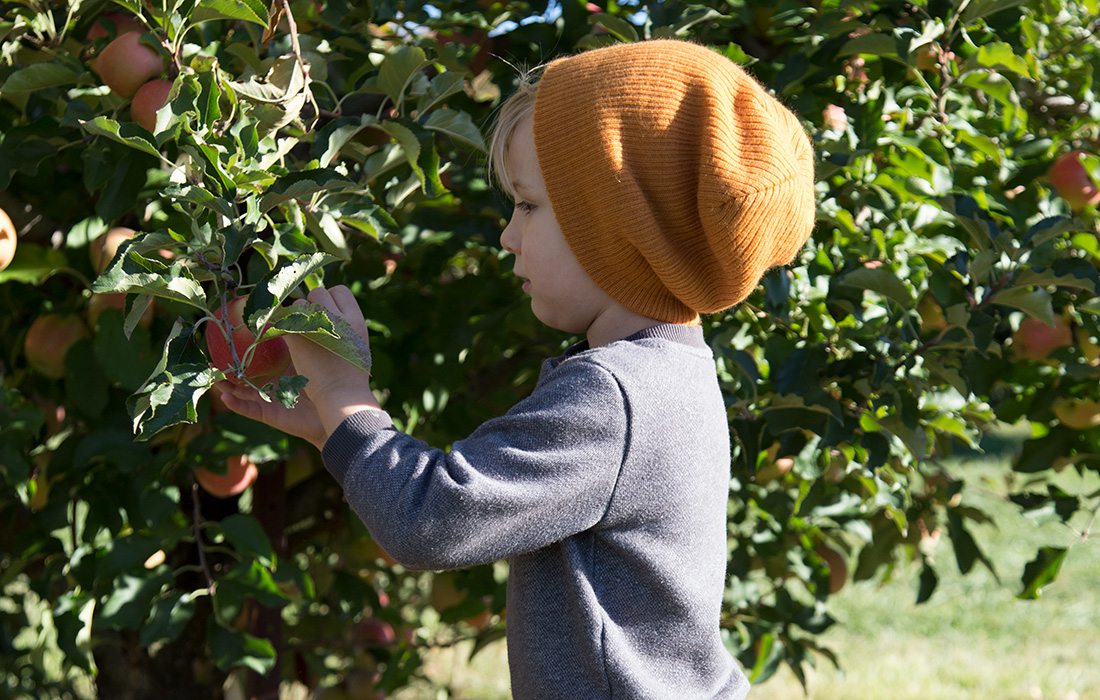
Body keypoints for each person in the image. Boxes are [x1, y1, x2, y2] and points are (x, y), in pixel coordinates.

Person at [216, 38, 815, 699]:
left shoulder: (613, 396)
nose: (507, 234)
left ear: (616, 228)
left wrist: (343, 391)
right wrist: (334, 429)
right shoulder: (671, 376)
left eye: (528, 206)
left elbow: (432, 521)